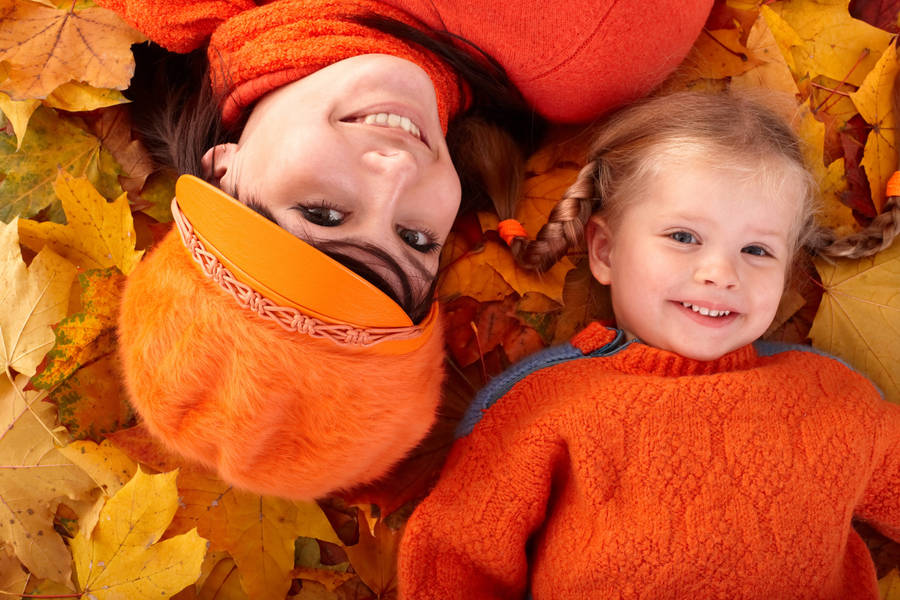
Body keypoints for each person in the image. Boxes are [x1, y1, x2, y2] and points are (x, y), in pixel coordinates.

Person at [99, 0, 714, 500]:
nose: (397, 175)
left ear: (221, 169)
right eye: (416, 239)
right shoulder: (586, 41)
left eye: (323, 214)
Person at [397, 91, 900, 599]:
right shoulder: (540, 405)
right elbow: (458, 555)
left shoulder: (832, 397)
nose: (720, 273)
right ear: (606, 252)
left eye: (756, 250)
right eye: (683, 237)